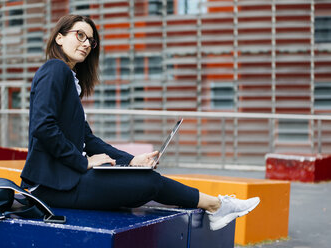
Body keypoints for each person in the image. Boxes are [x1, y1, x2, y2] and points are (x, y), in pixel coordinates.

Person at [20, 14, 260, 231]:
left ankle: (216, 206)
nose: (86, 44)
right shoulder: (54, 69)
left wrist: (131, 160)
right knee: (147, 183)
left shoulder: (69, 80)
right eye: (80, 35)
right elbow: (43, 127)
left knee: (141, 182)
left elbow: (88, 140)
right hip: (50, 186)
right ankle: (216, 206)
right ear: (59, 38)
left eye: (91, 41)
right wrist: (83, 162)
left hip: (65, 181)